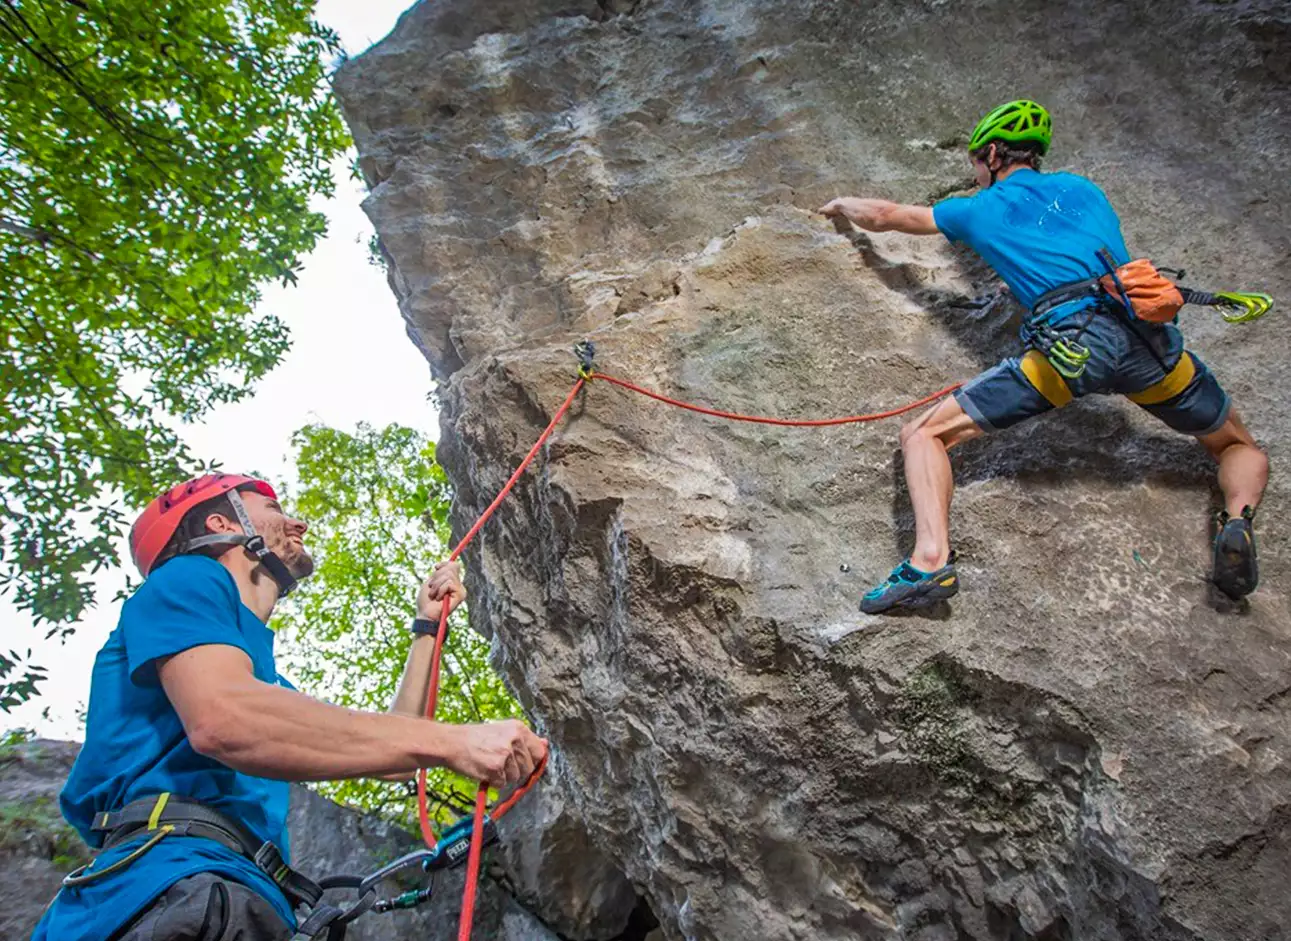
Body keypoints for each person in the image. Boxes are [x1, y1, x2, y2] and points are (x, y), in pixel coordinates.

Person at [32, 472, 548, 940]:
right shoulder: (188, 578)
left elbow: (393, 752)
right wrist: (457, 740)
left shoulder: (260, 679)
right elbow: (225, 721)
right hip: (172, 886)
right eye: (273, 508)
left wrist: (427, 626)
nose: (296, 521)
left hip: (222, 892)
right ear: (222, 520)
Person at [818, 100, 1268, 614]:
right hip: (1148, 340)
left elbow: (887, 217)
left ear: (990, 153)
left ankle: (928, 564)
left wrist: (840, 205)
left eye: (975, 161)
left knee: (924, 434)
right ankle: (1237, 519)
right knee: (1237, 444)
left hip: (1071, 351)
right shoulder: (1083, 189)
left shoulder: (976, 209)